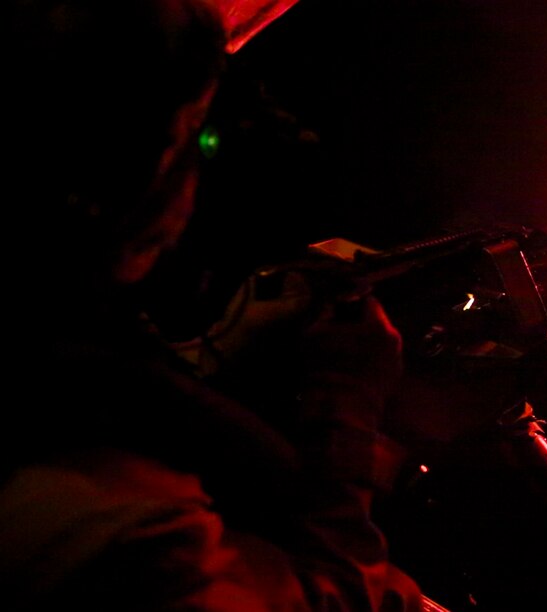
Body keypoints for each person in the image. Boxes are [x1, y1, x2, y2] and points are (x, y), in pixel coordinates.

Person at [1, 1, 425, 609]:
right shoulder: (109, 528)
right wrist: (346, 404)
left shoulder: (64, 351)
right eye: (192, 135)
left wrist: (217, 355)